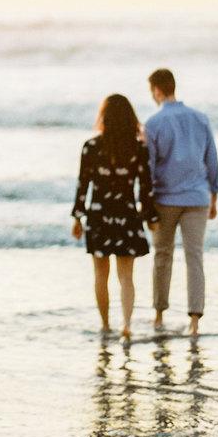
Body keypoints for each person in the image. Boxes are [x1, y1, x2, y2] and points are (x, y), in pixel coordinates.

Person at [72, 94, 159, 338]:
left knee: (100, 274)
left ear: (104, 117)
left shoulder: (90, 147)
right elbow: (145, 186)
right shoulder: (137, 148)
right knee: (126, 276)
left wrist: (77, 217)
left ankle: (105, 324)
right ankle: (127, 325)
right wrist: (150, 216)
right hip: (127, 215)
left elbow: (83, 184)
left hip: (98, 215)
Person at [145, 68, 218, 336]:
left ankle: (158, 315)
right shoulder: (200, 119)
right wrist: (214, 195)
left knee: (162, 256)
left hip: (165, 199)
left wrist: (147, 202)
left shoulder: (153, 124)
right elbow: (211, 159)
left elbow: (150, 167)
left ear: (156, 90)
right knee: (194, 257)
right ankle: (195, 322)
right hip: (198, 197)